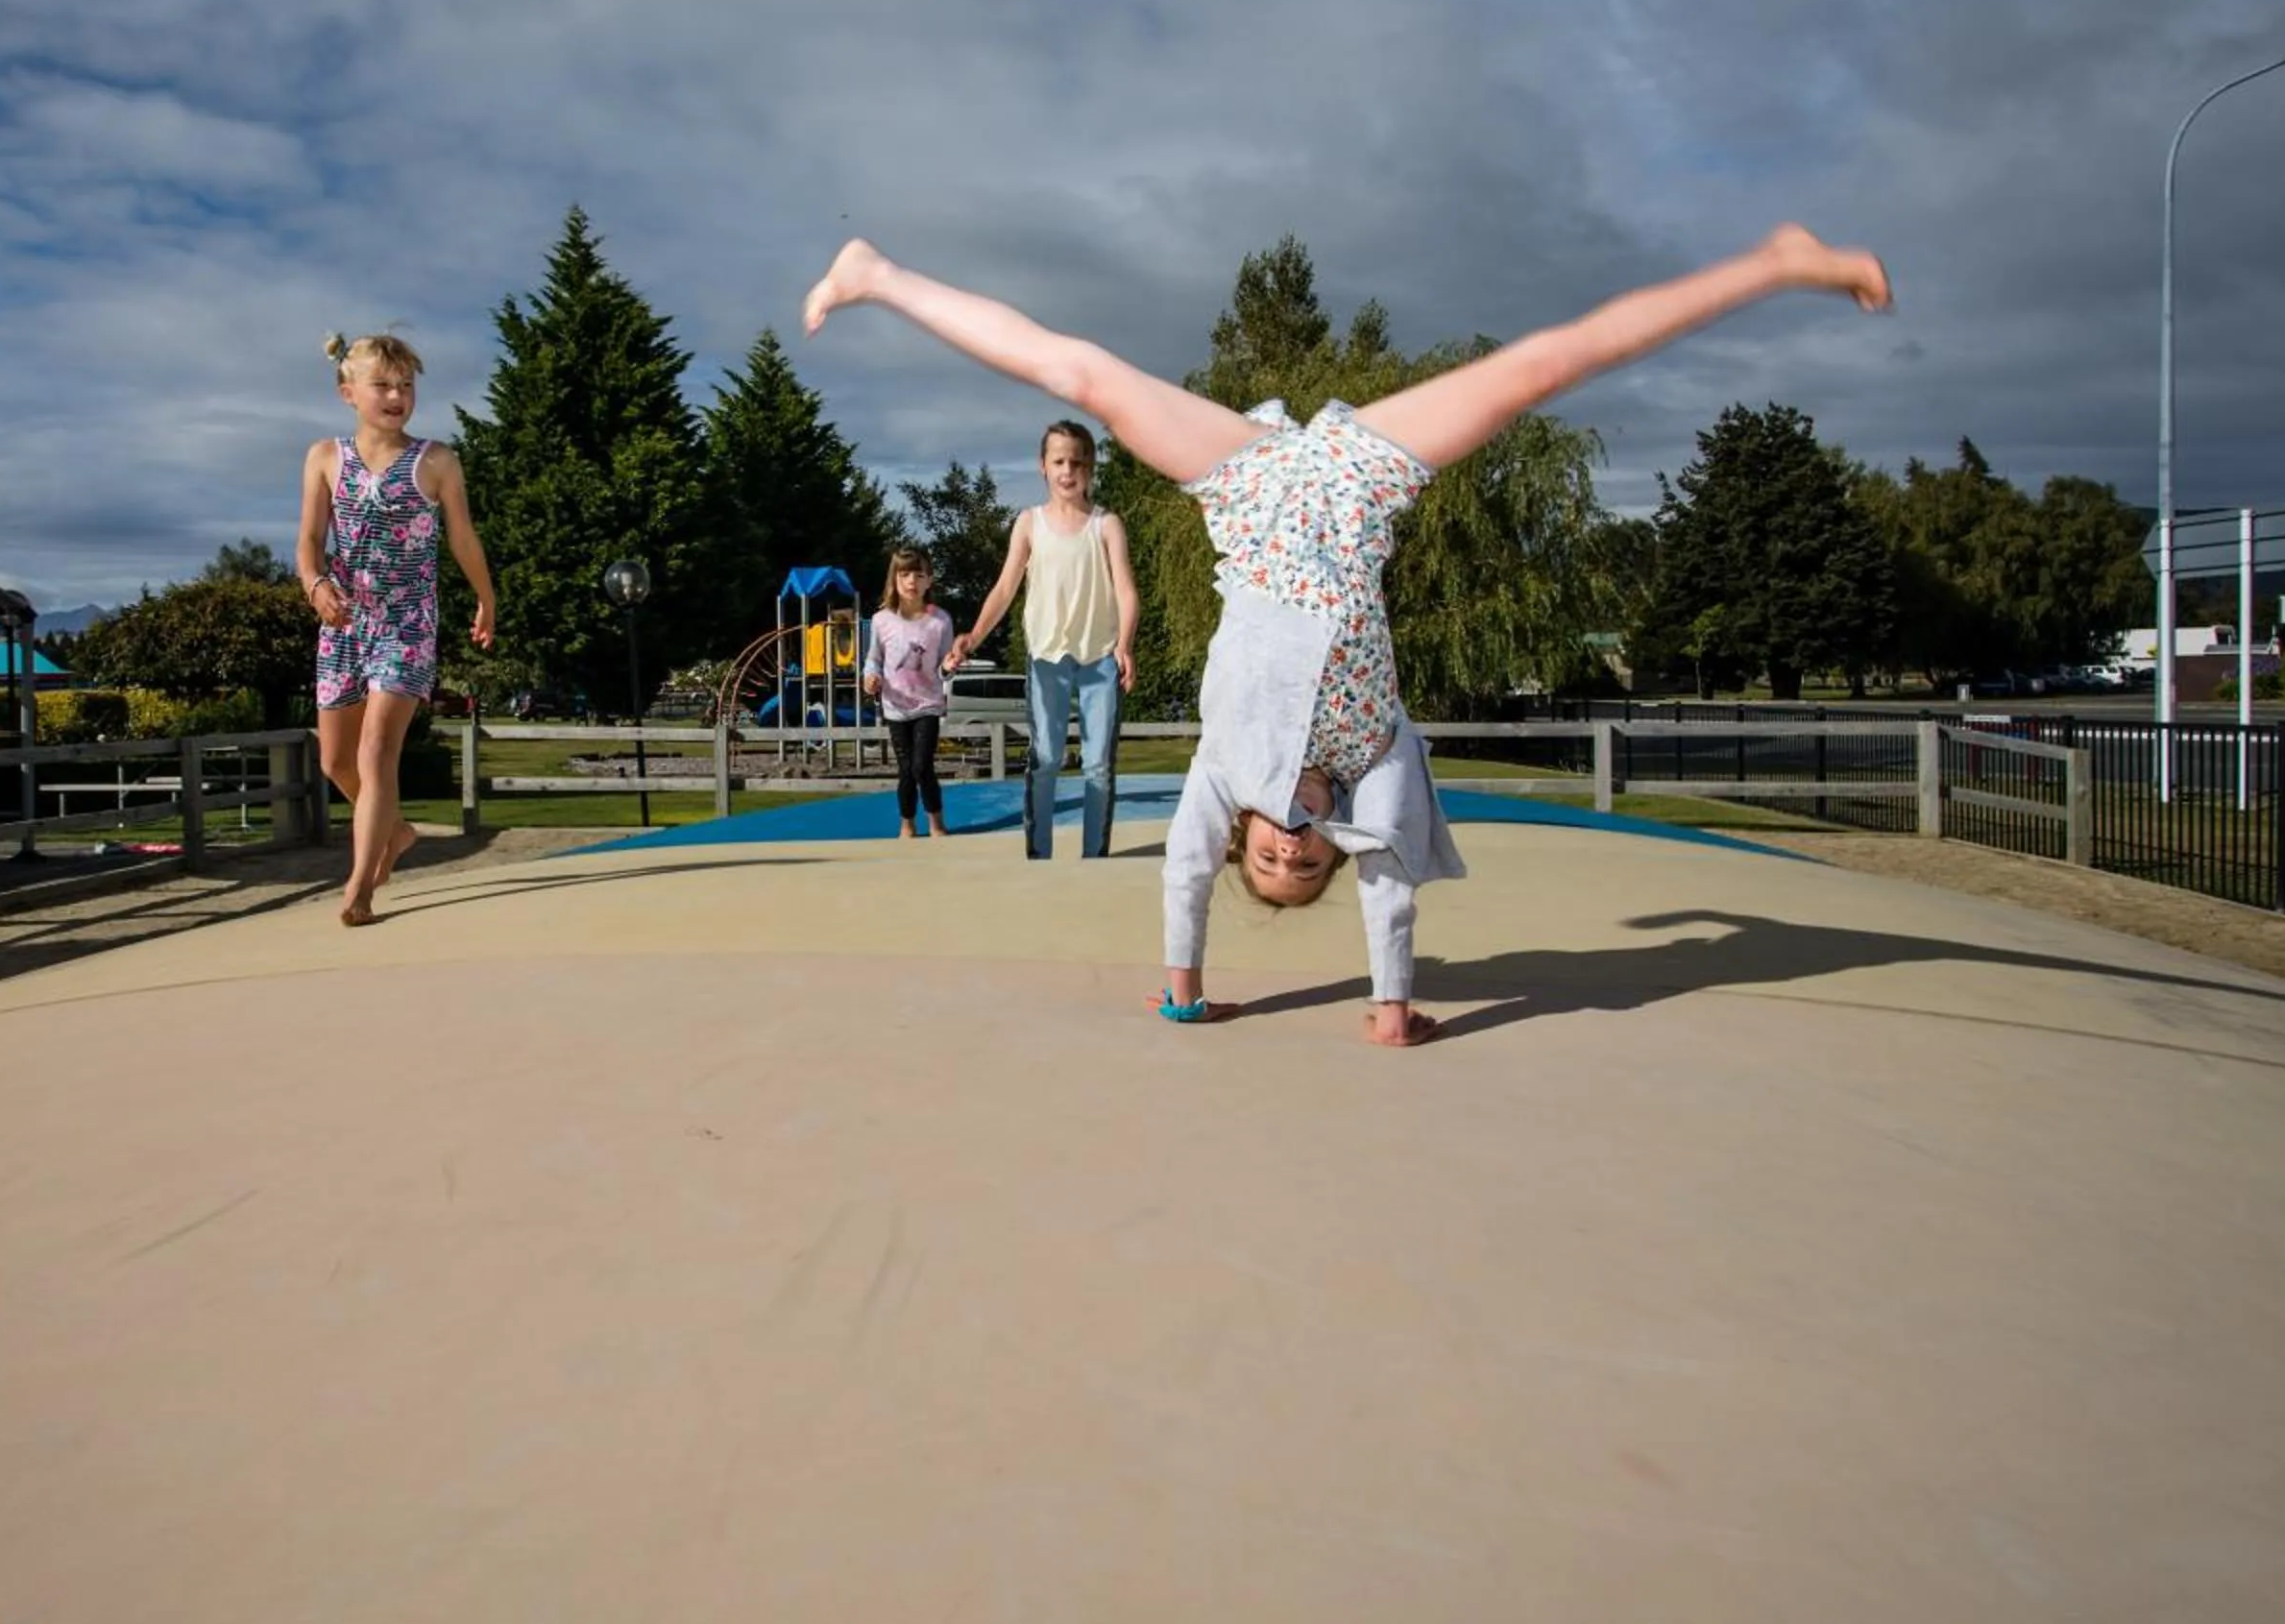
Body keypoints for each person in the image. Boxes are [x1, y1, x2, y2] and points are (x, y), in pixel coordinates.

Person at [804, 225, 1891, 1044]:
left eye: (1269, 852)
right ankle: (1777, 264)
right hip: (1361, 490)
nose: (1288, 837)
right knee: (1538, 370)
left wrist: (1184, 990)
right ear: (1339, 848)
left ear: (1247, 833)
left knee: (1081, 374)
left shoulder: (1227, 773)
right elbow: (1394, 886)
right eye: (1304, 855)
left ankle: (877, 275)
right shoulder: (1380, 767)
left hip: (1249, 487)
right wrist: (1392, 1006)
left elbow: (1185, 870)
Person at [295, 331, 498, 927]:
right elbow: (308, 540)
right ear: (347, 392)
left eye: (406, 385)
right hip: (344, 622)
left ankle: (359, 886)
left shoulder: (436, 461)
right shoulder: (324, 457)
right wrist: (314, 586)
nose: (397, 395)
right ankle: (398, 829)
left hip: (408, 622)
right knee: (336, 763)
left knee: (376, 750)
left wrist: (486, 598)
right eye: (382, 384)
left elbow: (462, 537)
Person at [947, 420, 1139, 859]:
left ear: (1090, 468)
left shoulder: (1106, 524)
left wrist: (1125, 643)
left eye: (1077, 461)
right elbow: (1004, 588)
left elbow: (1126, 590)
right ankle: (1040, 856)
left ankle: (1096, 857)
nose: (1068, 470)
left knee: (1098, 767)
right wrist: (973, 636)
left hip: (1100, 657)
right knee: (1046, 759)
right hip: (1047, 657)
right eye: (1059, 461)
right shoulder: (1029, 523)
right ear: (1043, 467)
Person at [861, 546, 956, 840]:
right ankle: (907, 824)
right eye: (905, 574)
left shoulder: (940, 621)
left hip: (927, 704)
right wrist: (870, 678)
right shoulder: (881, 620)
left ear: (929, 580)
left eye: (919, 574)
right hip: (895, 706)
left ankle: (937, 823)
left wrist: (950, 666)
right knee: (905, 770)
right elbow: (873, 659)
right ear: (895, 579)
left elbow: (944, 666)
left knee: (921, 765)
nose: (912, 581)